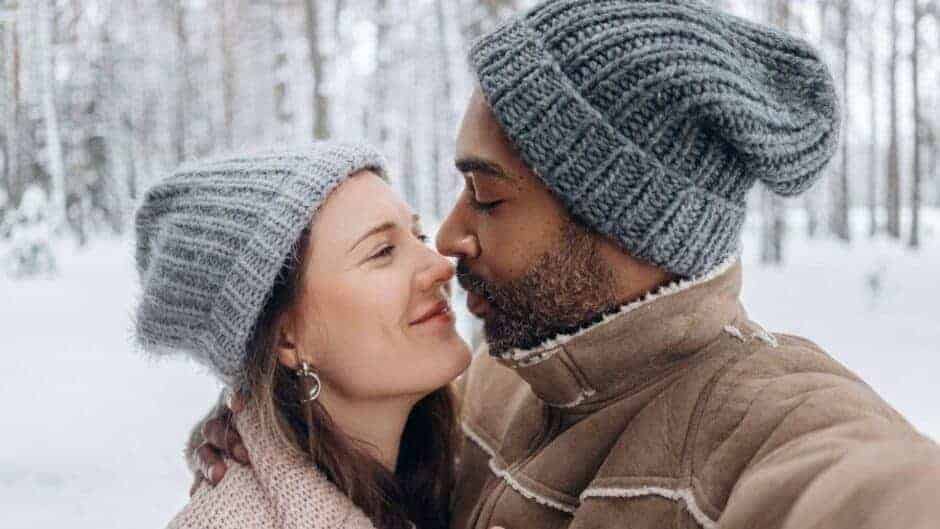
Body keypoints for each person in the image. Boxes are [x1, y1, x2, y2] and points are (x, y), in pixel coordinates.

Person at [193, 1, 940, 528]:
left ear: (625, 220)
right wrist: (271, 432)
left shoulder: (758, 424)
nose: (447, 239)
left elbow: (871, 490)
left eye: (486, 198)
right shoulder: (508, 367)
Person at [133, 143, 473, 529]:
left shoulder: (450, 474)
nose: (441, 266)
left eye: (420, 236)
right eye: (382, 252)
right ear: (287, 340)